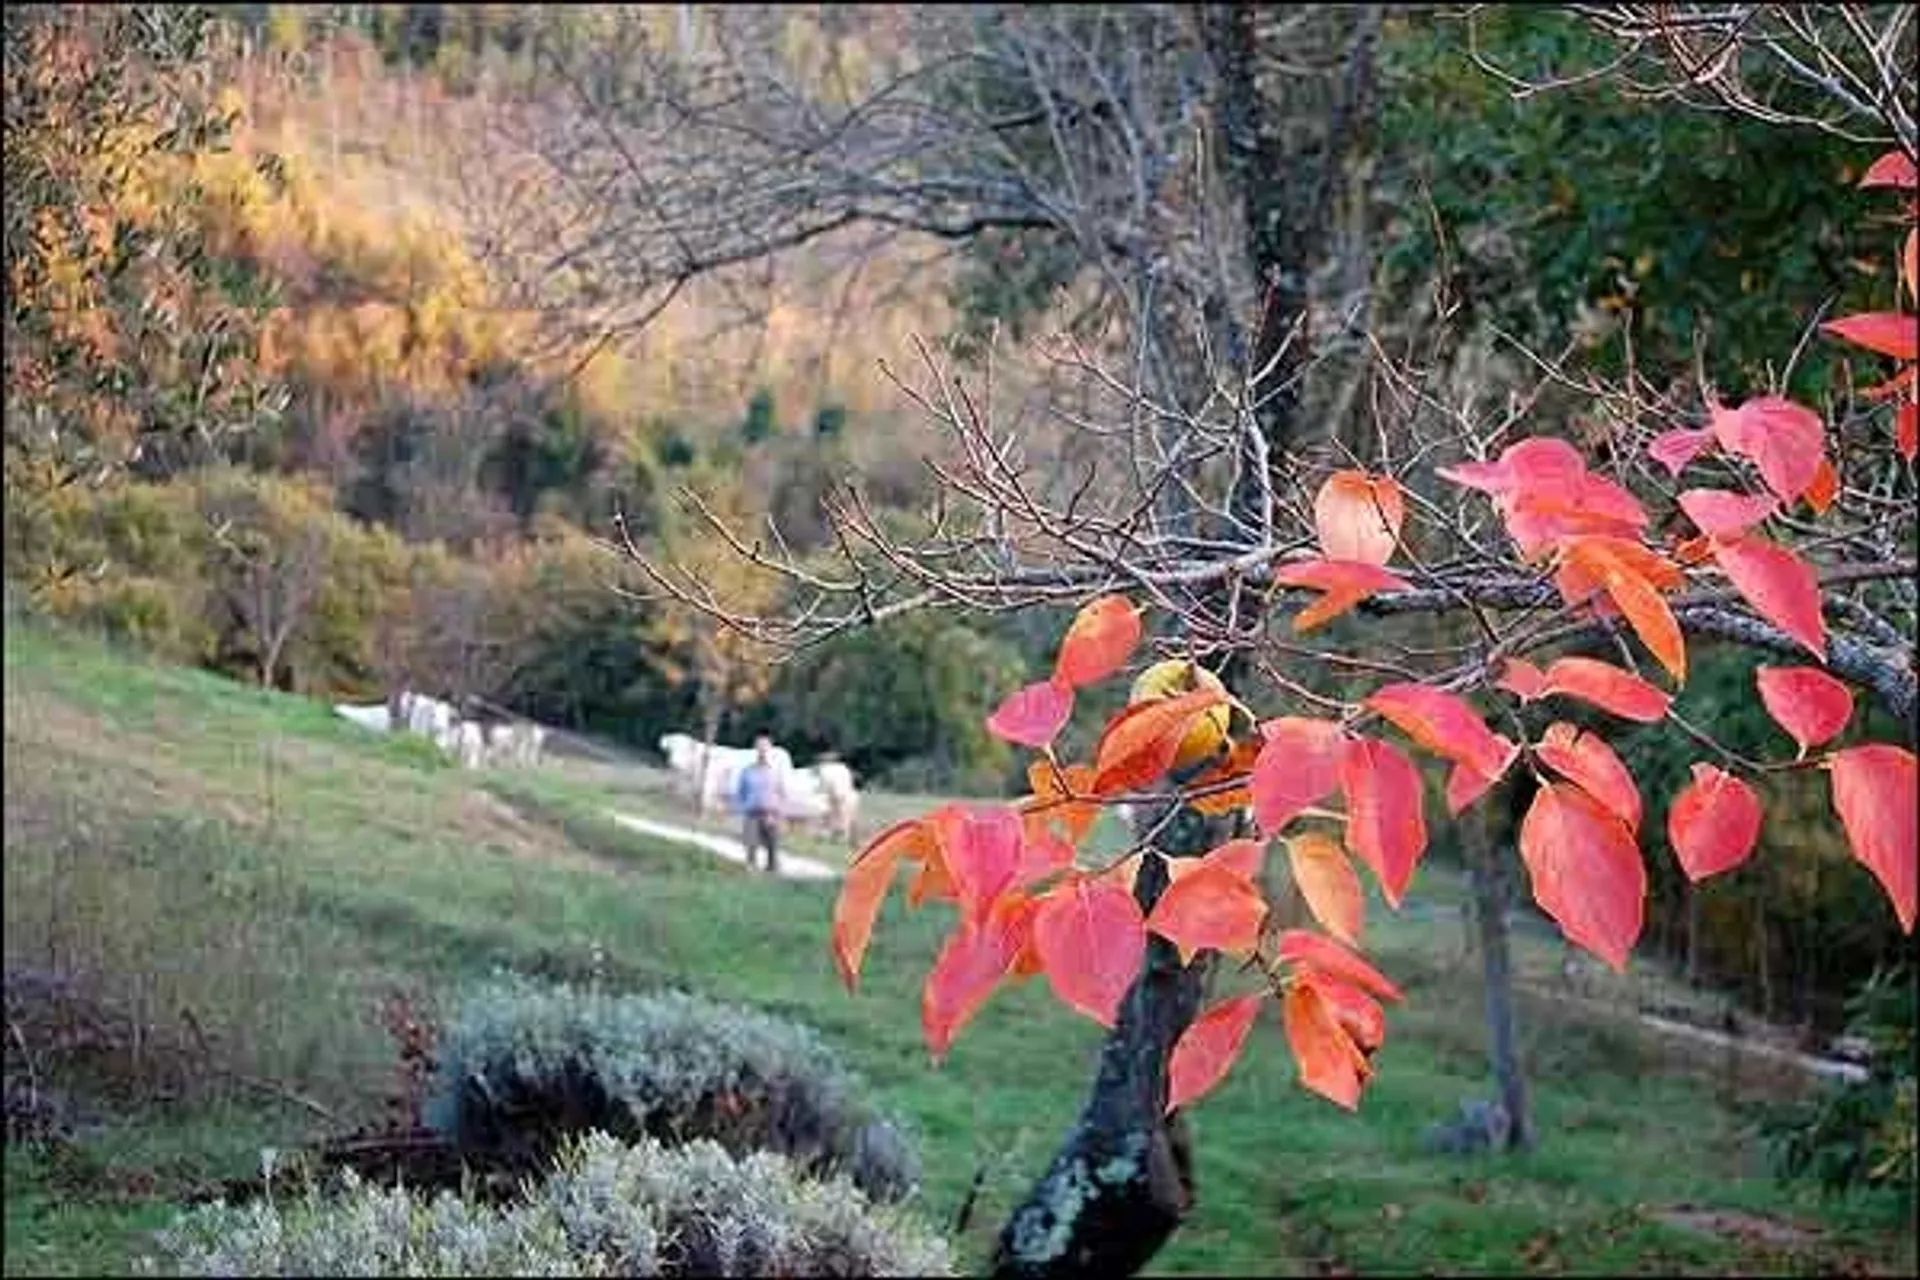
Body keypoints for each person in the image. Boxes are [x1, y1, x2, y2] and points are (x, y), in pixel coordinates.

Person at [732, 733, 786, 873]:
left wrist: (777, 813)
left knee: (773, 848)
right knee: (751, 845)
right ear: (755, 749)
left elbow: (782, 793)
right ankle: (751, 872)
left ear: (770, 749)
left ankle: (773, 873)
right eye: (759, 746)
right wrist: (741, 810)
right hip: (752, 813)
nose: (762, 750)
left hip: (771, 813)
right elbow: (740, 793)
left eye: (765, 747)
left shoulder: (776, 771)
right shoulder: (747, 771)